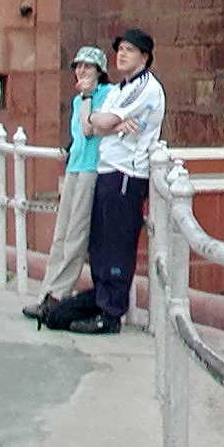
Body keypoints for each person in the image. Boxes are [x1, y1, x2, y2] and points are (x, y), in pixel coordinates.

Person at [75, 27, 165, 335]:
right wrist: (109, 123)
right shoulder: (119, 89)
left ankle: (111, 312)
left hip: (127, 173)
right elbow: (95, 124)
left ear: (145, 56)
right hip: (107, 169)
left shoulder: (146, 88)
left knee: (116, 243)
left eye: (129, 49)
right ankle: (101, 301)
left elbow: (103, 121)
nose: (122, 54)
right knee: (99, 242)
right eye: (120, 49)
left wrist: (107, 122)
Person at [22, 45, 111, 321]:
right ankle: (46, 292)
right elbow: (79, 135)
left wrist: (87, 97)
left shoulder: (106, 96)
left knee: (75, 236)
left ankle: (58, 294)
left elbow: (89, 128)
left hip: (91, 170)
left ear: (99, 71)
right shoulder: (77, 101)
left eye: (87, 66)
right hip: (74, 168)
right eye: (78, 66)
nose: (81, 71)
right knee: (61, 234)